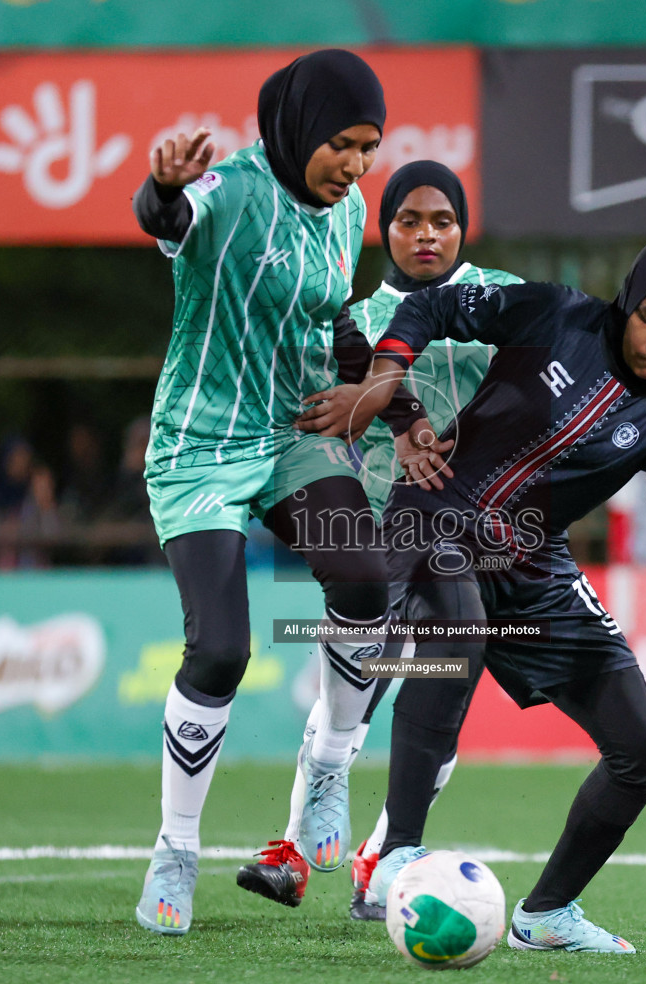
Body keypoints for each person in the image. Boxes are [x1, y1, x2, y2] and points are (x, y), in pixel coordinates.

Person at [307, 235, 646, 953]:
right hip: (435, 513)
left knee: (644, 749)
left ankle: (548, 915)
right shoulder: (555, 314)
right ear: (628, 302)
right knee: (460, 632)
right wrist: (388, 377)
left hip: (533, 559)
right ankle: (397, 856)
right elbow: (433, 305)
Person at [128, 49, 432, 937]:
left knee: (368, 581)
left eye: (370, 148)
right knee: (221, 650)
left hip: (294, 434)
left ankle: (328, 766)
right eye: (342, 143)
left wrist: (399, 409)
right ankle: (175, 850)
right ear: (300, 126)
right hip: (201, 444)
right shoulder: (227, 191)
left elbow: (337, 325)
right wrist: (161, 190)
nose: (357, 165)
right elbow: (168, 219)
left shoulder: (346, 213)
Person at [236, 161, 522, 920]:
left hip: (471, 531)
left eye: (441, 221)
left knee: (447, 682)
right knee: (357, 687)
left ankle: (382, 858)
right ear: (384, 228)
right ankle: (294, 850)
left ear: (463, 227)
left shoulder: (506, 301)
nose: (426, 234)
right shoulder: (359, 321)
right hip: (377, 523)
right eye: (408, 221)